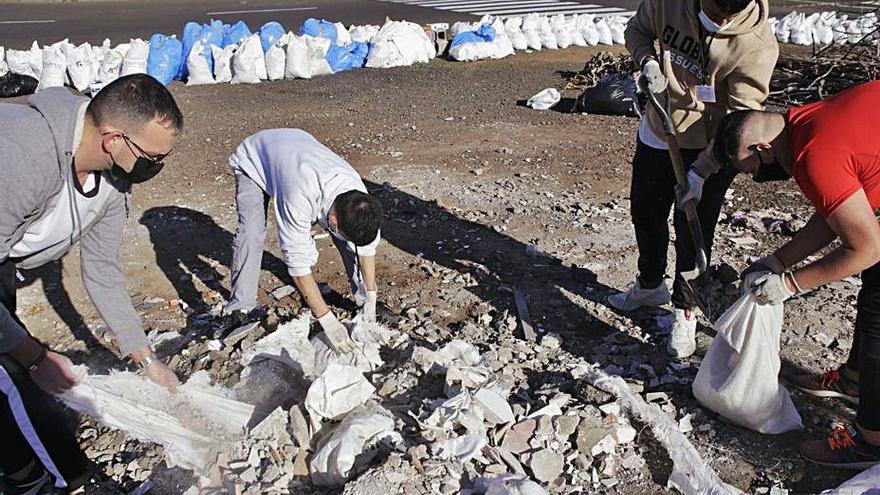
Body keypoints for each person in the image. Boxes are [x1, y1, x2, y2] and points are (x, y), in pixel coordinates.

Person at [0, 74, 183, 493]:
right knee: (14, 377)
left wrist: (144, 358)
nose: (157, 167)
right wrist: (33, 357)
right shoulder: (25, 158)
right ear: (112, 139)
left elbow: (101, 268)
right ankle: (54, 482)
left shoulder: (114, 179)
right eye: (152, 157)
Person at [711, 80, 880, 468]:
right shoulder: (808, 120)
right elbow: (837, 213)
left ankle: (871, 441)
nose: (754, 178)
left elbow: (867, 247)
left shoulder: (814, 155)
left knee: (879, 320)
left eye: (750, 168)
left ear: (763, 148)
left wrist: (788, 284)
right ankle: (854, 381)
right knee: (873, 299)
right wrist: (777, 262)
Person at [613, 0, 778, 358]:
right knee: (645, 210)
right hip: (660, 129)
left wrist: (704, 171)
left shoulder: (756, 44)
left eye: (726, 18)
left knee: (693, 227)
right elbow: (636, 30)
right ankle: (649, 284)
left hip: (712, 145)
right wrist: (648, 61)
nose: (718, 21)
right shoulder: (668, 3)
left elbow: (740, 121)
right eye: (713, 11)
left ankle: (685, 308)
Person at [223, 129, 383, 352]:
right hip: (255, 159)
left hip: (298, 145)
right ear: (333, 220)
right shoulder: (297, 198)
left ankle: (362, 298)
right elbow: (297, 265)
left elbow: (366, 248)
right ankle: (240, 308)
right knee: (252, 231)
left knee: (350, 239)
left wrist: (371, 296)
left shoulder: (359, 198)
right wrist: (326, 319)